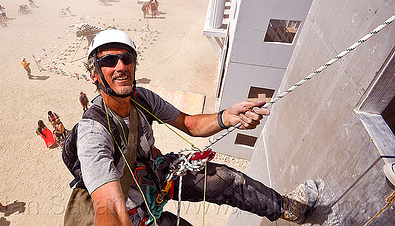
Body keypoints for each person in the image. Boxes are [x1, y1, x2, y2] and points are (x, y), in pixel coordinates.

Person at [62, 30, 319, 225]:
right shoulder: (93, 132)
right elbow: (110, 207)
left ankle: (288, 207)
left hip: (156, 176)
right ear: (94, 74)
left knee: (224, 180)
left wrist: (226, 117)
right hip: (134, 208)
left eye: (126, 58)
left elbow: (188, 123)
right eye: (109, 61)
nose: (120, 67)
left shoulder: (142, 99)